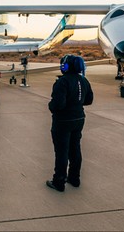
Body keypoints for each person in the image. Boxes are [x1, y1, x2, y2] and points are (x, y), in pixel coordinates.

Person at [46, 55, 94, 192]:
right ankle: (74, 178)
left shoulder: (62, 82)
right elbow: (89, 100)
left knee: (62, 152)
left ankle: (59, 181)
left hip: (63, 121)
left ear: (66, 66)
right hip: (79, 119)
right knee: (75, 149)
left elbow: (58, 104)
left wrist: (51, 106)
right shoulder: (84, 80)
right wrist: (76, 102)